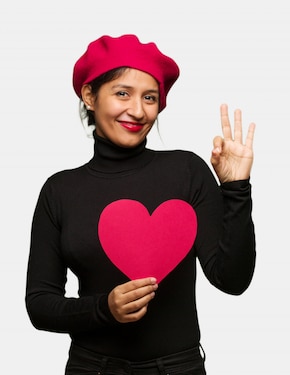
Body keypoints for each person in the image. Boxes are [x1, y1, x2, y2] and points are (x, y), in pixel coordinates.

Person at [25, 34, 256, 375]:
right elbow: (40, 304)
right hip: (92, 368)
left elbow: (231, 280)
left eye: (150, 97)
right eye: (122, 93)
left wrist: (236, 188)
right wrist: (104, 309)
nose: (137, 110)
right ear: (90, 95)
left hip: (178, 369)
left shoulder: (187, 171)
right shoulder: (59, 190)